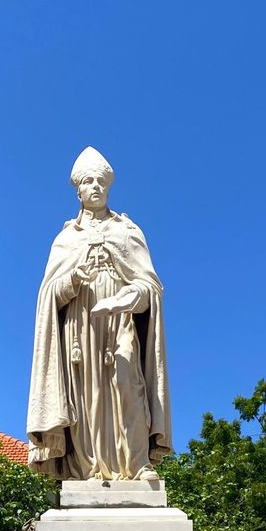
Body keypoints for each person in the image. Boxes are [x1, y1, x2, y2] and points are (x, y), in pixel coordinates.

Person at [27, 146, 172, 480]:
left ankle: (136, 464)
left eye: (100, 181)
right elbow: (49, 293)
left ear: (109, 187)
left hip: (120, 320)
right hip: (80, 327)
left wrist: (128, 297)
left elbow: (150, 287)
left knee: (128, 386)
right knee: (85, 396)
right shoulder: (66, 238)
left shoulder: (128, 231)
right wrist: (73, 279)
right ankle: (86, 469)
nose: (94, 187)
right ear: (78, 189)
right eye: (88, 181)